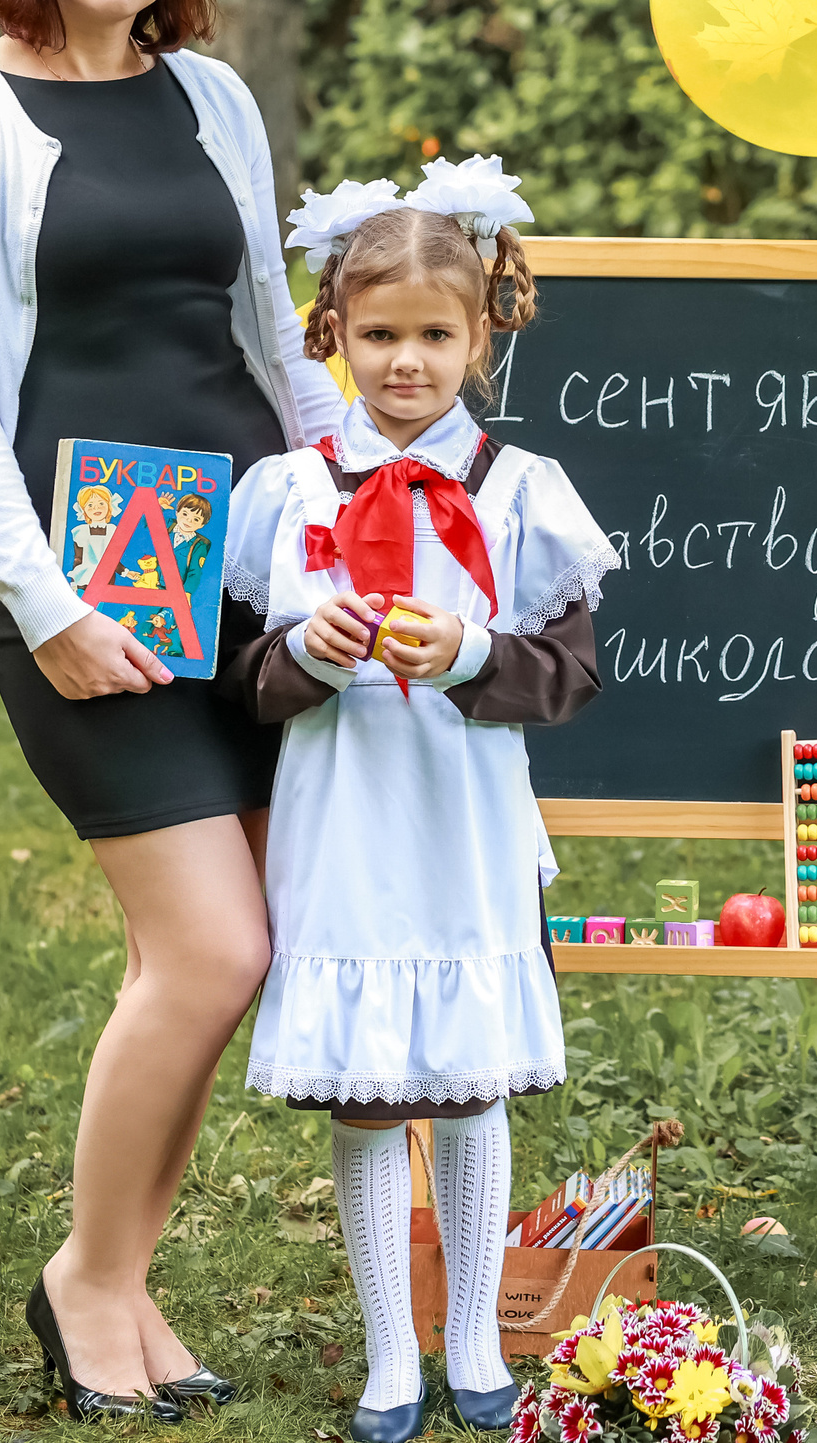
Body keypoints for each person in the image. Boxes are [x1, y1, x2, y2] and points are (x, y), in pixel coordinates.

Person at [0, 0, 346, 1426]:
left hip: (244, 569)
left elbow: (277, 342)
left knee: (248, 944)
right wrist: (50, 599)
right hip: (91, 573)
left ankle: (123, 1287)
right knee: (209, 950)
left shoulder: (212, 96)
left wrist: (359, 518)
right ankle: (87, 1277)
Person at [219, 158, 615, 1441]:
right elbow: (247, 684)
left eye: (433, 336)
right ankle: (392, 1352)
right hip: (344, 826)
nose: (405, 363)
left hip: (462, 822)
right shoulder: (286, 496)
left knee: (468, 1086)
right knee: (372, 1093)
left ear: (480, 333)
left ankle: (474, 1344)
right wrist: (306, 655)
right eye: (378, 335)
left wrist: (465, 654)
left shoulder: (519, 494)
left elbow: (567, 678)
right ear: (332, 335)